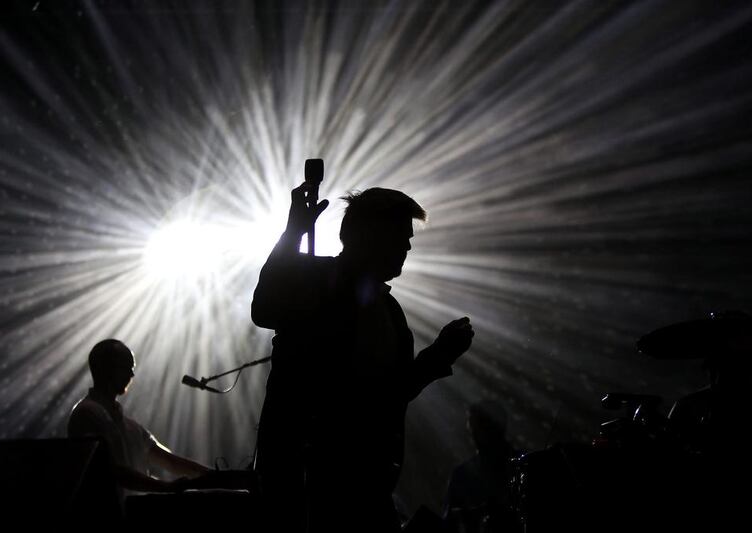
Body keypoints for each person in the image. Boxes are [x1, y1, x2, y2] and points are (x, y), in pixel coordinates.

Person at [251, 183, 475, 532]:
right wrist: (293, 232)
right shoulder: (317, 279)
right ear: (373, 236)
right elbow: (264, 308)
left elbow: (390, 393)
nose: (407, 245)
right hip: (310, 480)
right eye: (401, 235)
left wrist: (437, 357)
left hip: (366, 480)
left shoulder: (390, 312)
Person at [68, 339, 210, 493]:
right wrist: (166, 487)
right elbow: (113, 470)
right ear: (105, 368)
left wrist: (214, 475)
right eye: (126, 367)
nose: (132, 373)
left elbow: (170, 461)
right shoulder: (86, 414)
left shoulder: (131, 427)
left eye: (132, 368)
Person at [443, 400, 517, 533]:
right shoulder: (461, 474)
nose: (473, 433)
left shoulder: (462, 474)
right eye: (473, 427)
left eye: (479, 427)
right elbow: (450, 522)